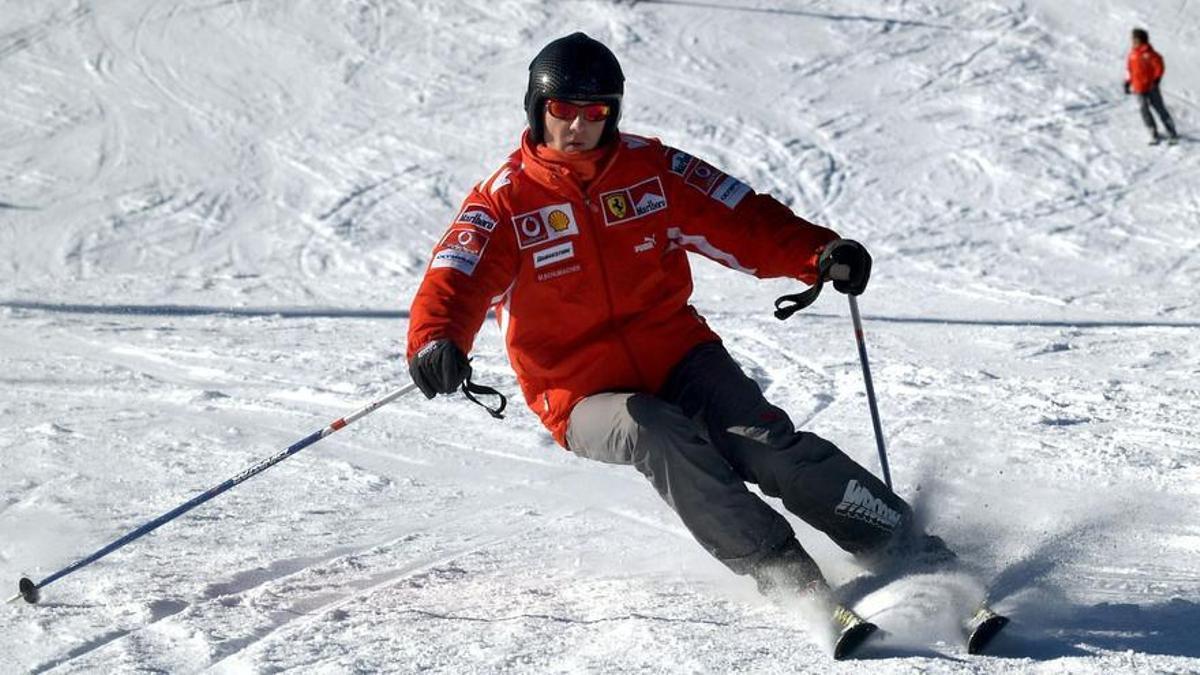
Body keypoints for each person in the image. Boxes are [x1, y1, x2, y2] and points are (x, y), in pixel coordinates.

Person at [406, 32, 950, 613]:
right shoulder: (503, 202)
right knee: (655, 431)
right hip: (578, 391)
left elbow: (740, 217)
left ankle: (898, 541)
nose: (576, 126)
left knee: (767, 448)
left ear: (612, 113)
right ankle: (787, 575)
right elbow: (454, 278)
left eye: (595, 112)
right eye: (561, 110)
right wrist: (435, 340)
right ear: (537, 111)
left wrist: (817, 253)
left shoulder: (653, 169)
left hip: (679, 355)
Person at [1125, 28, 1179, 145]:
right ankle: (1152, 131)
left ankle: (1171, 132)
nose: (1133, 42)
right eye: (1132, 39)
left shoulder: (1150, 54)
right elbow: (1130, 70)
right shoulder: (1132, 54)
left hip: (1151, 87)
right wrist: (1128, 82)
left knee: (1159, 108)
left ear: (1142, 40)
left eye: (1135, 39)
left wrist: (1157, 79)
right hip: (1138, 88)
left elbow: (1159, 66)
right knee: (1143, 109)